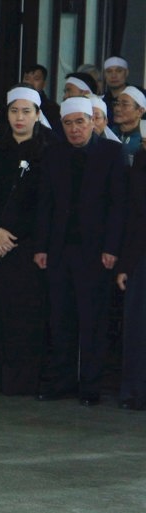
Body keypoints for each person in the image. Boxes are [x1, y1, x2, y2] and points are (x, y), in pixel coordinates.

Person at [34, 97, 126, 406]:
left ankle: (90, 385)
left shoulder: (112, 153)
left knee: (93, 320)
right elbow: (45, 204)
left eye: (80, 122)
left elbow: (118, 206)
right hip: (60, 250)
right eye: (68, 123)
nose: (75, 129)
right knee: (60, 319)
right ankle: (61, 381)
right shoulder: (54, 154)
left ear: (93, 122)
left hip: (96, 251)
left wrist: (112, 247)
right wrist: (41, 247)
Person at [0, 85, 53, 395]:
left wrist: (15, 234)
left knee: (22, 314)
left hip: (25, 245)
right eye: (14, 111)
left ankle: (20, 380)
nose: (20, 118)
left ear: (37, 115)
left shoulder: (48, 151)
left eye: (26, 112)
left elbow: (45, 202)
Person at [117, 148, 146, 409]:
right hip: (141, 257)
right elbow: (134, 218)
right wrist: (125, 265)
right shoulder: (140, 162)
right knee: (138, 328)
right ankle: (136, 392)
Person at [108, 86, 146, 166]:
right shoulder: (109, 134)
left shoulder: (143, 138)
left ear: (140, 111)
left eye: (124, 105)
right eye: (116, 104)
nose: (117, 109)